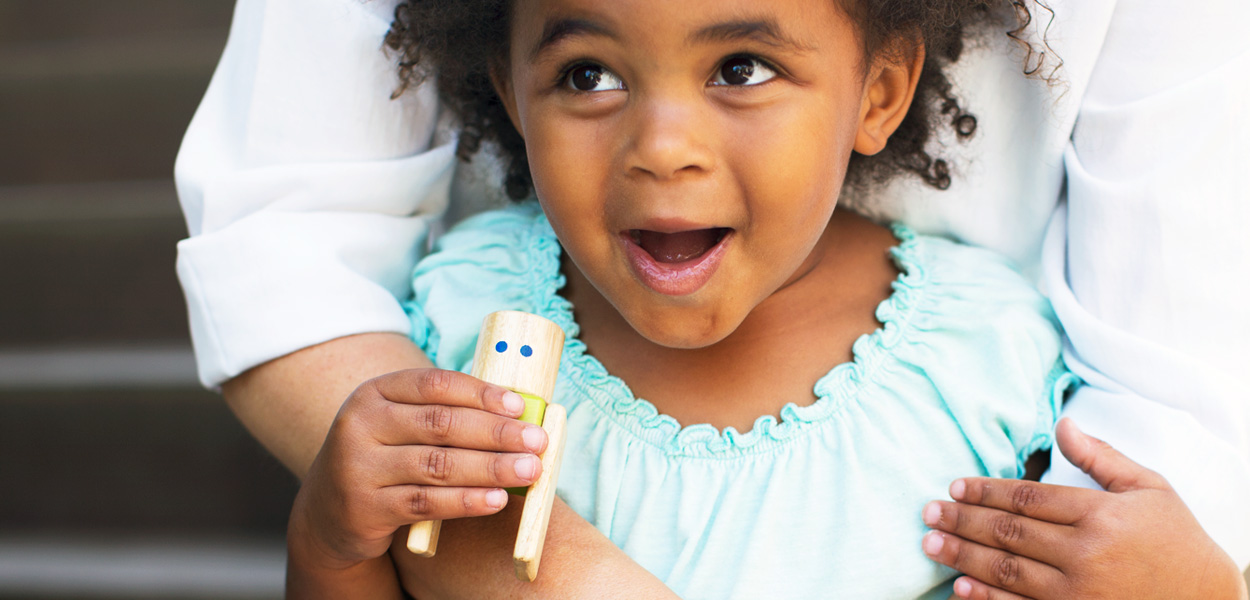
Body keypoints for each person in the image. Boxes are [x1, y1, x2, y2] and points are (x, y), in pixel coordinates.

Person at [174, 0, 1250, 597]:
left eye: (739, 66)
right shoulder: (462, 321)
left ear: (878, 92)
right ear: (508, 91)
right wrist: (328, 530)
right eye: (589, 74)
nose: (662, 150)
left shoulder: (982, 363)